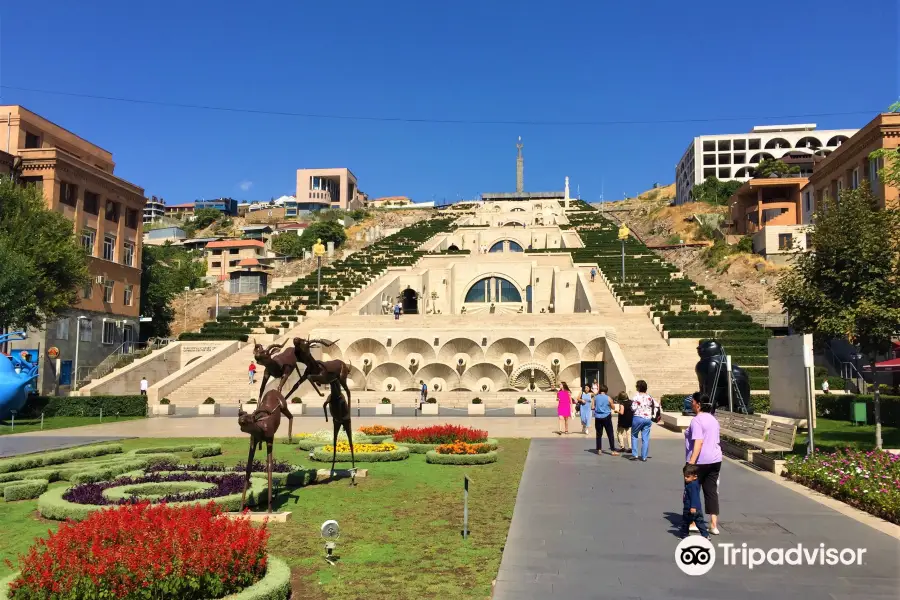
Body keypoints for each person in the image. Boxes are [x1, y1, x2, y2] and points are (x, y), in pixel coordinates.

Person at [685, 393, 722, 535]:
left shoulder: (697, 420)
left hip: (700, 461)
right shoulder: (713, 420)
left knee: (693, 490)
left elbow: (698, 442)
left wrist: (691, 463)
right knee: (711, 491)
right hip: (715, 459)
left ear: (698, 404)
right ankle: (713, 525)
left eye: (693, 401)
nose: (691, 403)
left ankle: (693, 522)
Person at [630, 379, 658, 462]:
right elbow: (656, 405)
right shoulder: (649, 397)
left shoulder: (636, 397)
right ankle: (644, 456)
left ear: (638, 388)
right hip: (647, 419)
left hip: (638, 418)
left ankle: (635, 454)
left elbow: (633, 408)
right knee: (645, 438)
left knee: (634, 435)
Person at [680, 464, 710, 539]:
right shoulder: (694, 483)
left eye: (687, 477)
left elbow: (694, 497)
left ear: (695, 476)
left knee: (686, 522)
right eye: (684, 476)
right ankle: (705, 535)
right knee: (699, 522)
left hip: (690, 507)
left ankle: (684, 535)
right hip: (697, 508)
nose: (685, 478)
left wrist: (693, 506)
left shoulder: (692, 485)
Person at [591, 384, 618, 455]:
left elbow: (592, 407)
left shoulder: (595, 398)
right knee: (610, 434)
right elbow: (613, 407)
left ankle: (599, 449)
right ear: (606, 390)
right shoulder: (608, 398)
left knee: (599, 434)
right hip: (606, 416)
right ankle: (613, 450)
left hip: (598, 417)